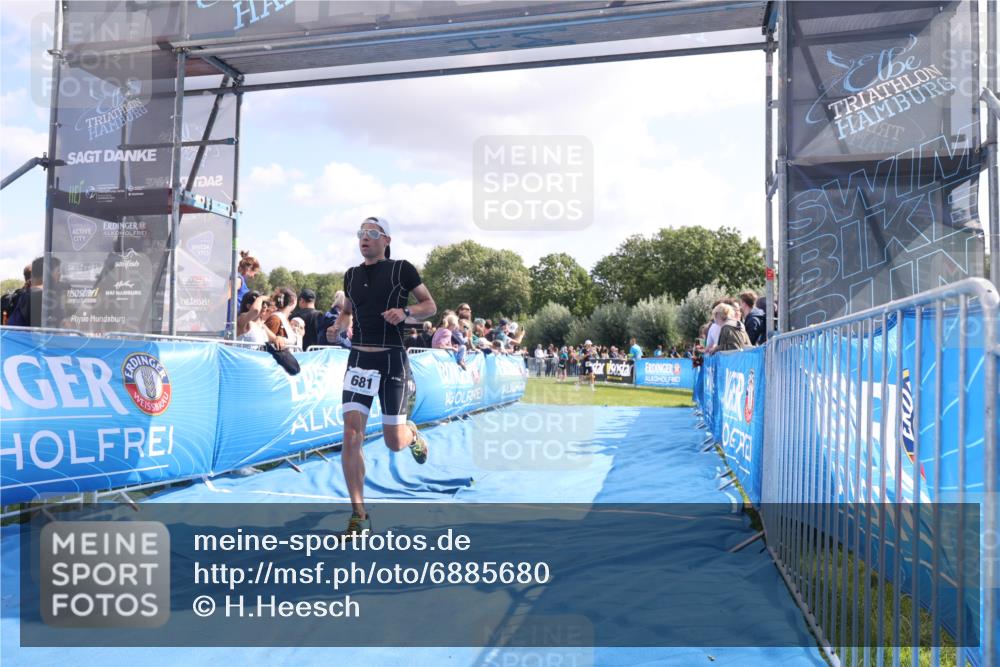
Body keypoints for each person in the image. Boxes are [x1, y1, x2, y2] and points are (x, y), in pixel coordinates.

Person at [331, 216, 437, 535]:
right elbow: (348, 309)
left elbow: (429, 305)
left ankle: (412, 434)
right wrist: (340, 325)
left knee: (394, 441)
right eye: (361, 233)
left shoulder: (402, 269)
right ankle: (359, 514)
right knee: (351, 435)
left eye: (372, 233)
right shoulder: (351, 275)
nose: (365, 238)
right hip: (360, 360)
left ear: (386, 240)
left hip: (392, 360)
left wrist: (406, 313)